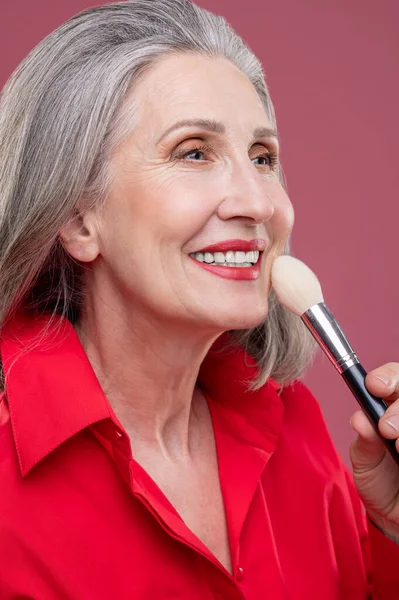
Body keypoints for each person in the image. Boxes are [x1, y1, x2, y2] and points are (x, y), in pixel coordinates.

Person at [0, 0, 398, 597]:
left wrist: (393, 531)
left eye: (263, 158)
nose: (260, 204)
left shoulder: (300, 436)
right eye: (194, 152)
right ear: (79, 218)